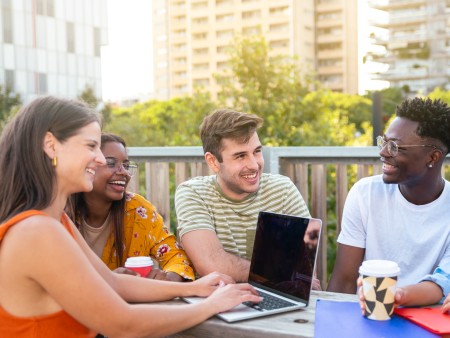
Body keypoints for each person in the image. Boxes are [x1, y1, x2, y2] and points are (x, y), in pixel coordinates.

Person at [0, 96, 261, 337]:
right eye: (91, 146)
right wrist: (212, 305)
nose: (100, 159)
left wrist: (193, 288)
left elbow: (113, 282)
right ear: (50, 146)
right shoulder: (37, 232)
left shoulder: (55, 222)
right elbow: (122, 324)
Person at [327, 97, 450, 310]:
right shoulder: (365, 194)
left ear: (433, 157)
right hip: (368, 315)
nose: (383, 152)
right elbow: (344, 281)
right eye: (384, 142)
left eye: (395, 147)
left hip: (429, 321)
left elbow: (442, 283)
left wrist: (397, 295)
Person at [175, 108, 311, 282]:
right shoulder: (193, 193)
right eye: (240, 156)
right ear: (213, 162)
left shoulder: (282, 190)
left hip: (275, 298)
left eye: (257, 151)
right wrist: (281, 274)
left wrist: (287, 276)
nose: (254, 165)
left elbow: (304, 271)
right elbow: (211, 264)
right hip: (216, 304)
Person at [66, 133, 195, 282]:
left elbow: (176, 257)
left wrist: (169, 278)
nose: (124, 172)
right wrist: (111, 279)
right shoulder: (61, 212)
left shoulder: (139, 211)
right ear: (87, 166)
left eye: (126, 166)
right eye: (111, 163)